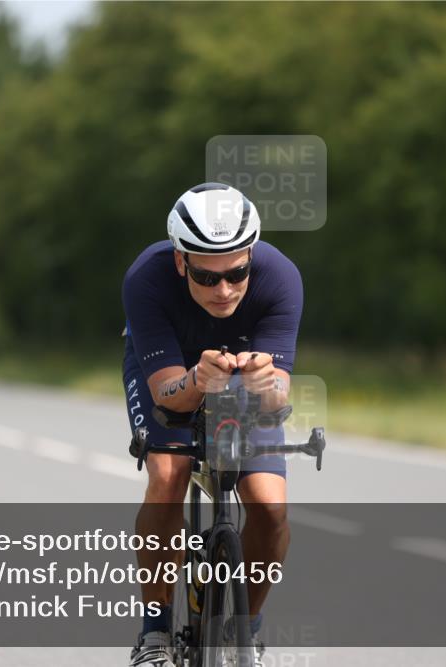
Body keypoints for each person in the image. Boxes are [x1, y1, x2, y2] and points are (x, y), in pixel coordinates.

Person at [122, 183, 303, 667]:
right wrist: (199, 379)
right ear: (181, 262)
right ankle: (155, 634)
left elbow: (279, 396)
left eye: (237, 273)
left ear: (251, 255)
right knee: (167, 477)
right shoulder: (147, 278)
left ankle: (247, 631)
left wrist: (266, 384)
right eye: (205, 276)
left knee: (269, 506)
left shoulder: (281, 277)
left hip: (243, 376)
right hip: (172, 372)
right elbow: (166, 395)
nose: (224, 290)